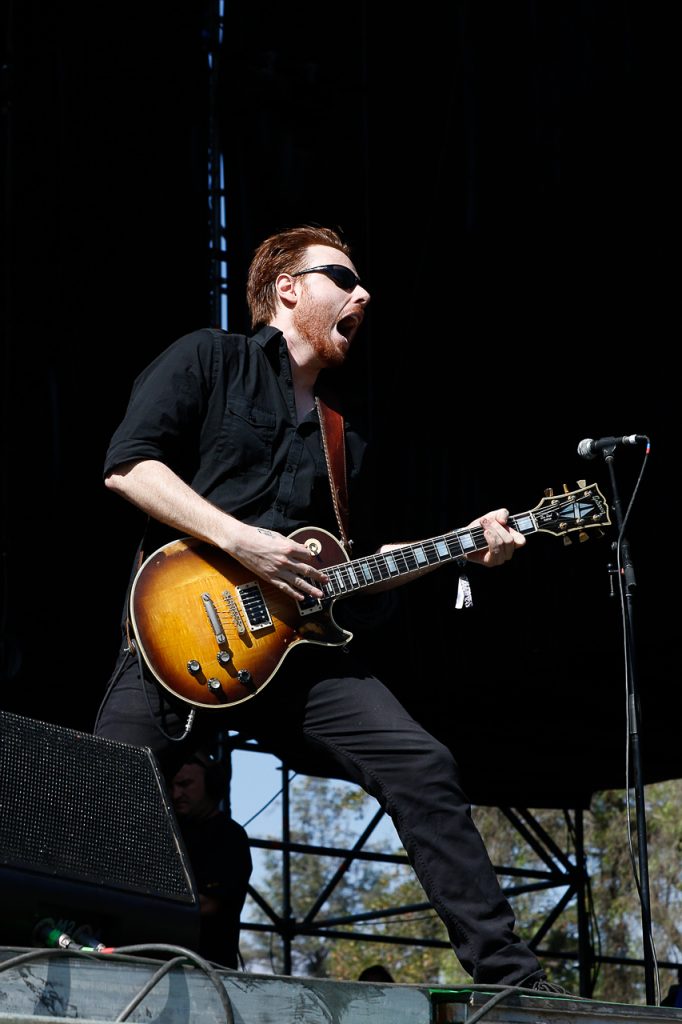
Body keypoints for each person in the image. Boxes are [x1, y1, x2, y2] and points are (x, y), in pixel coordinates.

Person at [94, 224, 562, 992]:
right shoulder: (210, 359)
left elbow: (352, 570)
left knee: (422, 763)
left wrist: (459, 546)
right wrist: (242, 541)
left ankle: (513, 983)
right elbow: (128, 466)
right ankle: (85, 972)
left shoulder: (347, 439)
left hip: (298, 653)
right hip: (180, 630)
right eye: (343, 278)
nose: (363, 294)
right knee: (106, 791)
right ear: (287, 288)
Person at [168, 750, 252, 969]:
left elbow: (208, 904)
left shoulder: (229, 836)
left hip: (208, 967)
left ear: (212, 785)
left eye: (185, 784)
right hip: (162, 961)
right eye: (172, 786)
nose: (176, 794)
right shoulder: (170, 833)